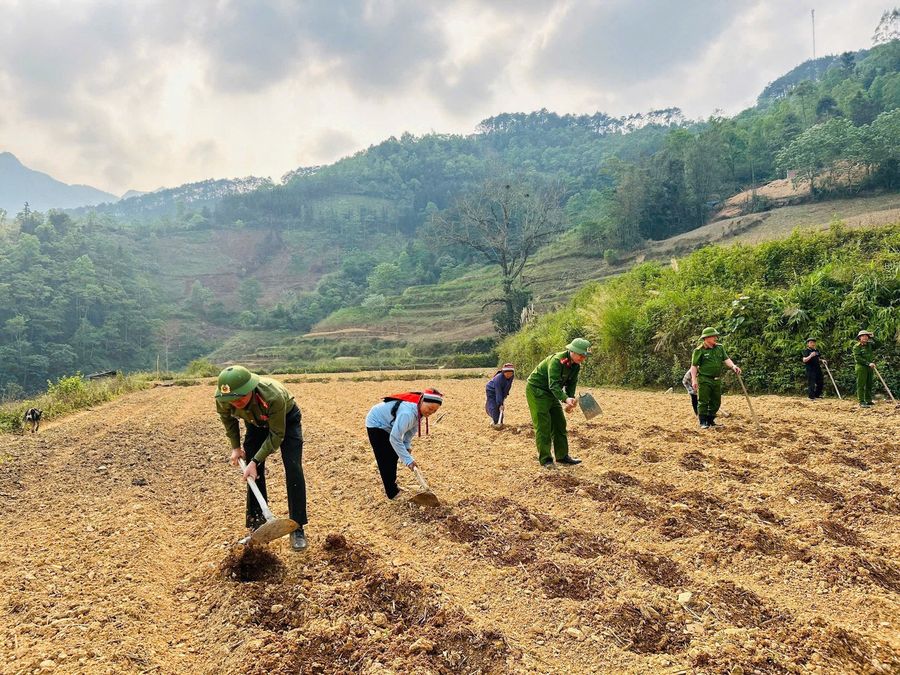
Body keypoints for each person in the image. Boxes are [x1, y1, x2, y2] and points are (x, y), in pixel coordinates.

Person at [215, 366, 308, 552]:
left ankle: (297, 527)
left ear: (250, 389)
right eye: (232, 400)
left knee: (293, 467)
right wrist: (236, 447)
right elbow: (228, 421)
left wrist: (255, 461)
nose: (236, 402)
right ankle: (257, 525)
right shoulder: (225, 399)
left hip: (286, 421)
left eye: (240, 397)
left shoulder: (272, 397)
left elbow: (276, 435)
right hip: (255, 423)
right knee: (252, 476)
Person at [365, 388, 444, 499]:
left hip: (389, 424)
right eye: (429, 408)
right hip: (377, 423)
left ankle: (392, 485)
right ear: (421, 401)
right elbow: (395, 438)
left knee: (394, 455)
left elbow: (410, 431)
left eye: (434, 411)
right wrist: (408, 460)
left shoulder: (419, 411)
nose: (430, 413)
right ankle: (392, 493)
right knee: (386, 458)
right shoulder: (407, 413)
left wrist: (407, 446)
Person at [525, 339, 590, 467]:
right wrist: (565, 398)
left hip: (552, 392)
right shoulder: (557, 361)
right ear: (572, 351)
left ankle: (562, 456)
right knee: (544, 425)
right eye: (580, 354)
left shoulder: (576, 365)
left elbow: (571, 384)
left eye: (584, 356)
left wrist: (570, 399)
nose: (583, 358)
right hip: (537, 390)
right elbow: (553, 384)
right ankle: (546, 460)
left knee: (560, 423)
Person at [690, 328, 742, 429]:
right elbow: (694, 366)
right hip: (704, 379)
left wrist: (733, 366)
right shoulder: (699, 351)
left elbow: (726, 359)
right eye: (713, 336)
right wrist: (693, 380)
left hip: (716, 379)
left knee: (716, 402)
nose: (715, 338)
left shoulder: (719, 348)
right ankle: (703, 422)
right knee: (703, 401)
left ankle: (711, 420)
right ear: (706, 338)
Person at [853, 330, 876, 408]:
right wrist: (868, 363)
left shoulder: (870, 345)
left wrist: (874, 337)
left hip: (870, 367)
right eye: (863, 336)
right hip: (861, 367)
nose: (865, 337)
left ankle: (868, 400)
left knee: (869, 384)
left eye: (866, 336)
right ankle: (861, 401)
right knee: (861, 384)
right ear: (859, 337)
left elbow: (879, 345)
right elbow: (858, 358)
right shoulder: (856, 346)